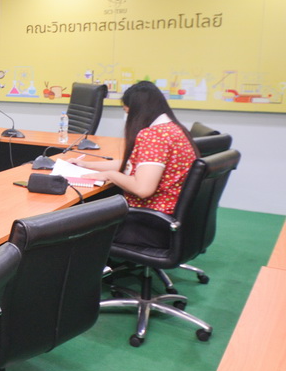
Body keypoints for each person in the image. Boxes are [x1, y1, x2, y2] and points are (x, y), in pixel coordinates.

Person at [70, 80, 198, 247]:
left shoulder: (154, 136)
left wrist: (110, 175)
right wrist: (87, 165)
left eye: (126, 111)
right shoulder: (172, 129)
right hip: (171, 219)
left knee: (77, 221)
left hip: (150, 223)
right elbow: (133, 164)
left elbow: (143, 189)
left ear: (137, 111)